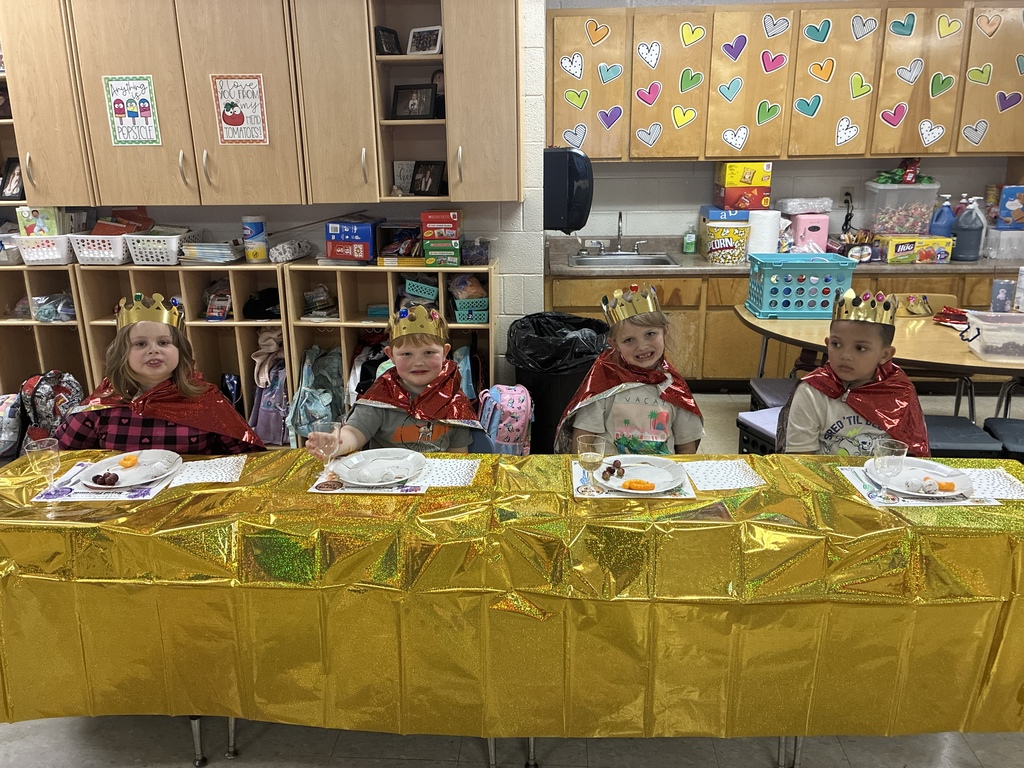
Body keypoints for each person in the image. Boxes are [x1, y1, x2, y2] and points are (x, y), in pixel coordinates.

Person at [55, 292, 265, 454]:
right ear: (122, 354)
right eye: (140, 344)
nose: (153, 350)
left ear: (180, 351)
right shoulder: (102, 406)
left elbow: (248, 457)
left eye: (164, 342)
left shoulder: (205, 400)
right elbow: (63, 456)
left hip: (191, 500)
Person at [305, 305, 479, 457]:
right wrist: (337, 443)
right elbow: (354, 433)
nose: (418, 362)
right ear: (391, 356)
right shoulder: (380, 397)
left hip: (433, 484)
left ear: (445, 353)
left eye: (429, 353)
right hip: (386, 483)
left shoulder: (454, 401)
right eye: (406, 354)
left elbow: (458, 456)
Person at [554, 283, 704, 455]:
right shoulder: (605, 383)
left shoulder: (673, 386)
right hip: (611, 475)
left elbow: (686, 445)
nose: (642, 346)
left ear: (665, 331)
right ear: (614, 344)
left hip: (661, 475)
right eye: (629, 340)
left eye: (650, 334)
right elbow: (584, 438)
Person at [777, 289, 930, 457]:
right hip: (825, 479)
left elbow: (912, 455)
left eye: (860, 348)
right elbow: (800, 458)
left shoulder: (899, 392)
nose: (845, 356)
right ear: (827, 344)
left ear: (885, 355)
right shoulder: (813, 391)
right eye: (836, 344)